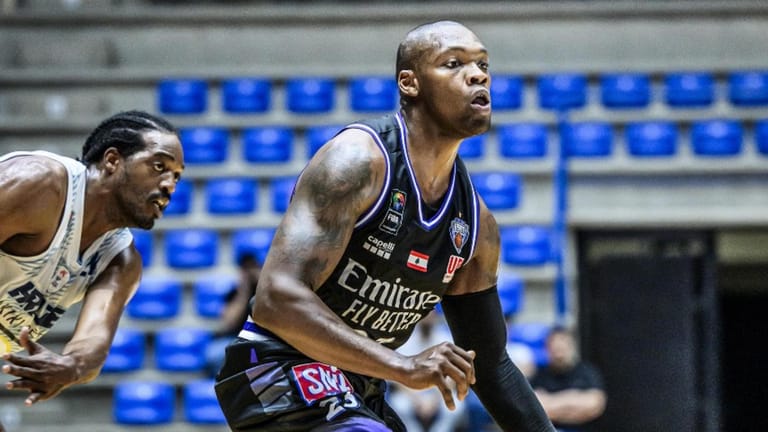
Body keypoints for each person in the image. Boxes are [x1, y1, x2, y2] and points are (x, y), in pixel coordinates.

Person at [215, 20, 555, 432]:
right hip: (276, 366)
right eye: (454, 63)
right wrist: (404, 366)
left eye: (483, 64)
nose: (477, 74)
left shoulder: (475, 225)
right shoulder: (357, 162)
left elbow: (490, 366)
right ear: (409, 83)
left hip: (361, 387)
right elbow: (275, 299)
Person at [0, 110, 184, 407]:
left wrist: (71, 367)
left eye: (176, 176)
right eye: (159, 166)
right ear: (112, 161)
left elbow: (92, 342)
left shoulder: (121, 261)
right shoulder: (40, 184)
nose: (169, 185)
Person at [387, 310, 467, 432]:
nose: (428, 320)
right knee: (400, 406)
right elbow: (396, 375)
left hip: (439, 393)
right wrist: (417, 400)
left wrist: (434, 401)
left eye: (431, 316)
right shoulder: (406, 340)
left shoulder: (445, 340)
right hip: (411, 393)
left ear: (436, 318)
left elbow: (453, 376)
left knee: (455, 409)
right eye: (425, 316)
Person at [529, 327, 606, 432]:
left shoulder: (587, 372)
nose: (559, 354)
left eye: (562, 348)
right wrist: (574, 398)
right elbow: (535, 410)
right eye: (555, 349)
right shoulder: (539, 376)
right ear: (547, 349)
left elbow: (595, 405)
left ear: (571, 347)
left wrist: (551, 401)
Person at [204, 253, 261, 377]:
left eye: (253, 267)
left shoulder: (268, 294)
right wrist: (243, 292)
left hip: (260, 339)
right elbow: (230, 322)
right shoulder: (233, 293)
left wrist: (262, 287)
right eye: (246, 269)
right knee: (215, 354)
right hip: (235, 338)